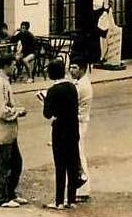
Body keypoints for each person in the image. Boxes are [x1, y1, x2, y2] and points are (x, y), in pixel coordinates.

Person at [40, 58, 81, 209]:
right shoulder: (72, 87)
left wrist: (46, 101)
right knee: (72, 165)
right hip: (73, 129)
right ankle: (71, 199)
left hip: (59, 131)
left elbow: (47, 113)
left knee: (60, 166)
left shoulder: (52, 91)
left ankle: (59, 201)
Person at [0, 52, 28, 208]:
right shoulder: (0, 83)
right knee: (5, 164)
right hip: (3, 129)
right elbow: (2, 111)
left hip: (9, 130)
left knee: (16, 163)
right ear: (6, 66)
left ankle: (10, 193)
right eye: (13, 65)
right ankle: (3, 198)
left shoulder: (3, 80)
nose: (15, 68)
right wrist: (18, 111)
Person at [69, 59, 93, 203]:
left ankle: (82, 188)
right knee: (77, 154)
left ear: (83, 69)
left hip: (79, 122)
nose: (72, 70)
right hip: (79, 121)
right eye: (71, 67)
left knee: (78, 154)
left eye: (75, 67)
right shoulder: (80, 83)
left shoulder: (81, 86)